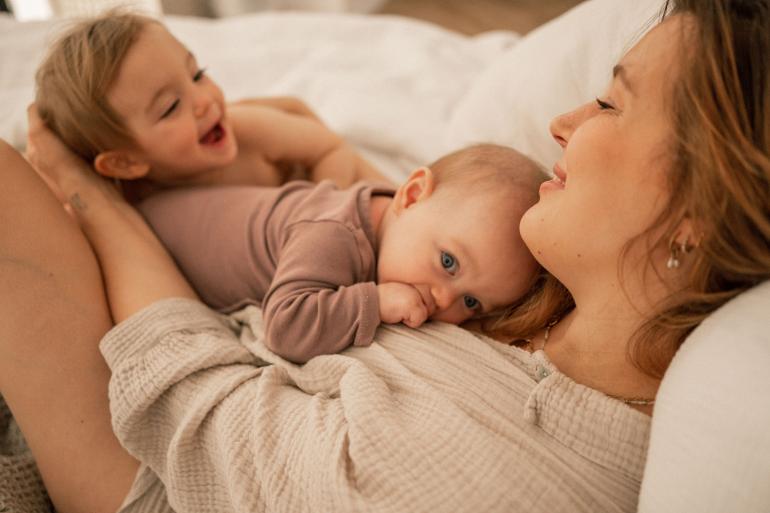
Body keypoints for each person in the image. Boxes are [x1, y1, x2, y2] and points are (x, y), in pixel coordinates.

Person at [0, 1, 767, 512]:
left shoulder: (478, 472)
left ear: (693, 218)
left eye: (611, 103)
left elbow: (195, 406)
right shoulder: (553, 294)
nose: (564, 123)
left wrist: (88, 197)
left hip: (164, 459)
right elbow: (396, 227)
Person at [135, 144, 544, 363]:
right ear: (413, 194)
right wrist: (375, 301)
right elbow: (286, 328)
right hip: (150, 238)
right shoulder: (333, 234)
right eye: (449, 263)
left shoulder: (407, 224)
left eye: (471, 302)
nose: (442, 301)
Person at [34, 10, 388, 200]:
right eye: (171, 107)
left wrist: (322, 203)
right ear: (125, 162)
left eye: (197, 74)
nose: (204, 101)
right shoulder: (132, 194)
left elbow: (330, 147)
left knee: (384, 193)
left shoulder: (248, 130)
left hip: (309, 156)